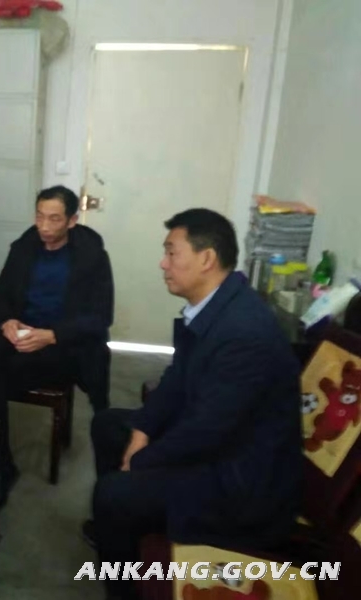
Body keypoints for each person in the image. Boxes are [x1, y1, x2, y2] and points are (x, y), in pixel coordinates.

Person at [84, 209, 302, 600]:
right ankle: (119, 531)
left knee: (114, 493)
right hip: (218, 444)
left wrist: (142, 462)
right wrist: (143, 430)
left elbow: (207, 432)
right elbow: (177, 379)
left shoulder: (244, 333)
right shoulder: (215, 306)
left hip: (241, 480)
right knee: (109, 426)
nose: (163, 263)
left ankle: (124, 580)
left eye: (172, 252)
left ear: (206, 259)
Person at [0, 185, 114, 513]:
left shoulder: (91, 256)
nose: (44, 226)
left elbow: (100, 317)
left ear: (72, 220)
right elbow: (1, 297)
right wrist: (7, 320)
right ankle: (1, 464)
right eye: (39, 216)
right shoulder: (24, 247)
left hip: (63, 341)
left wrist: (52, 335)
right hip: (20, 331)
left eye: (54, 219)